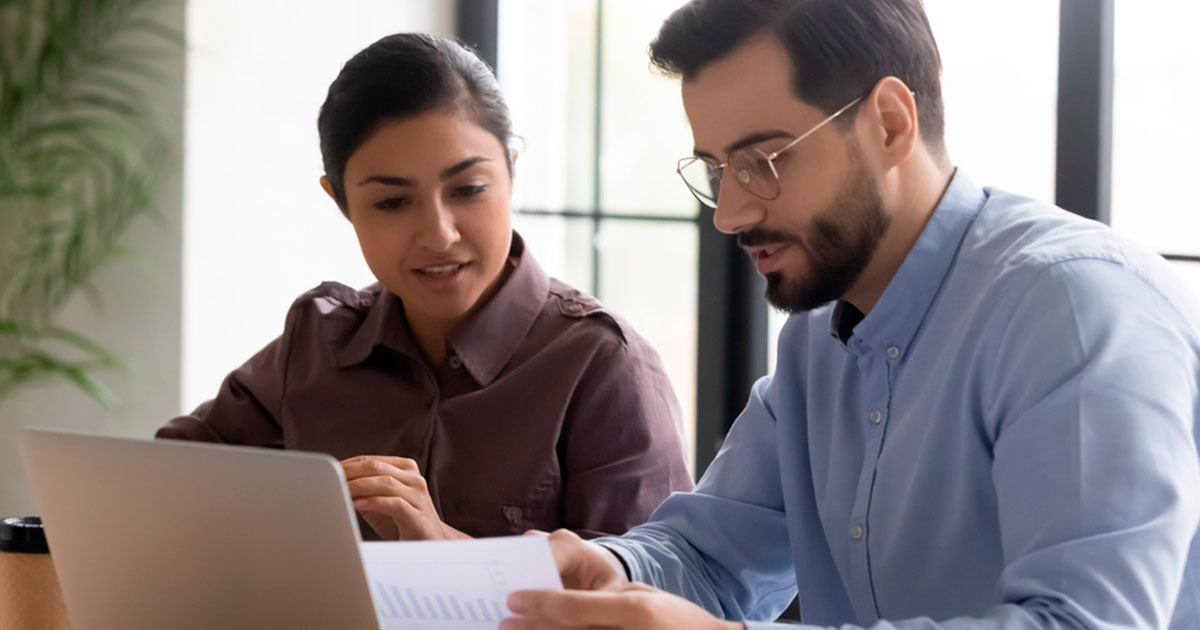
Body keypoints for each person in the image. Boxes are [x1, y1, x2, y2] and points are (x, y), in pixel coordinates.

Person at [501, 0, 1200, 628]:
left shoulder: (1071, 311)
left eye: (765, 161)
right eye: (718, 171)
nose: (734, 214)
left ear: (891, 124)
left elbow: (1080, 624)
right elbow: (717, 554)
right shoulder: (821, 328)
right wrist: (615, 573)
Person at [156, 33, 693, 542]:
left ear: (512, 173)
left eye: (469, 189)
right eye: (392, 202)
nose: (439, 234)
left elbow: (644, 603)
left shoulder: (603, 366)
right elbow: (161, 482)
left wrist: (446, 551)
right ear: (341, 203)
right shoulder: (318, 342)